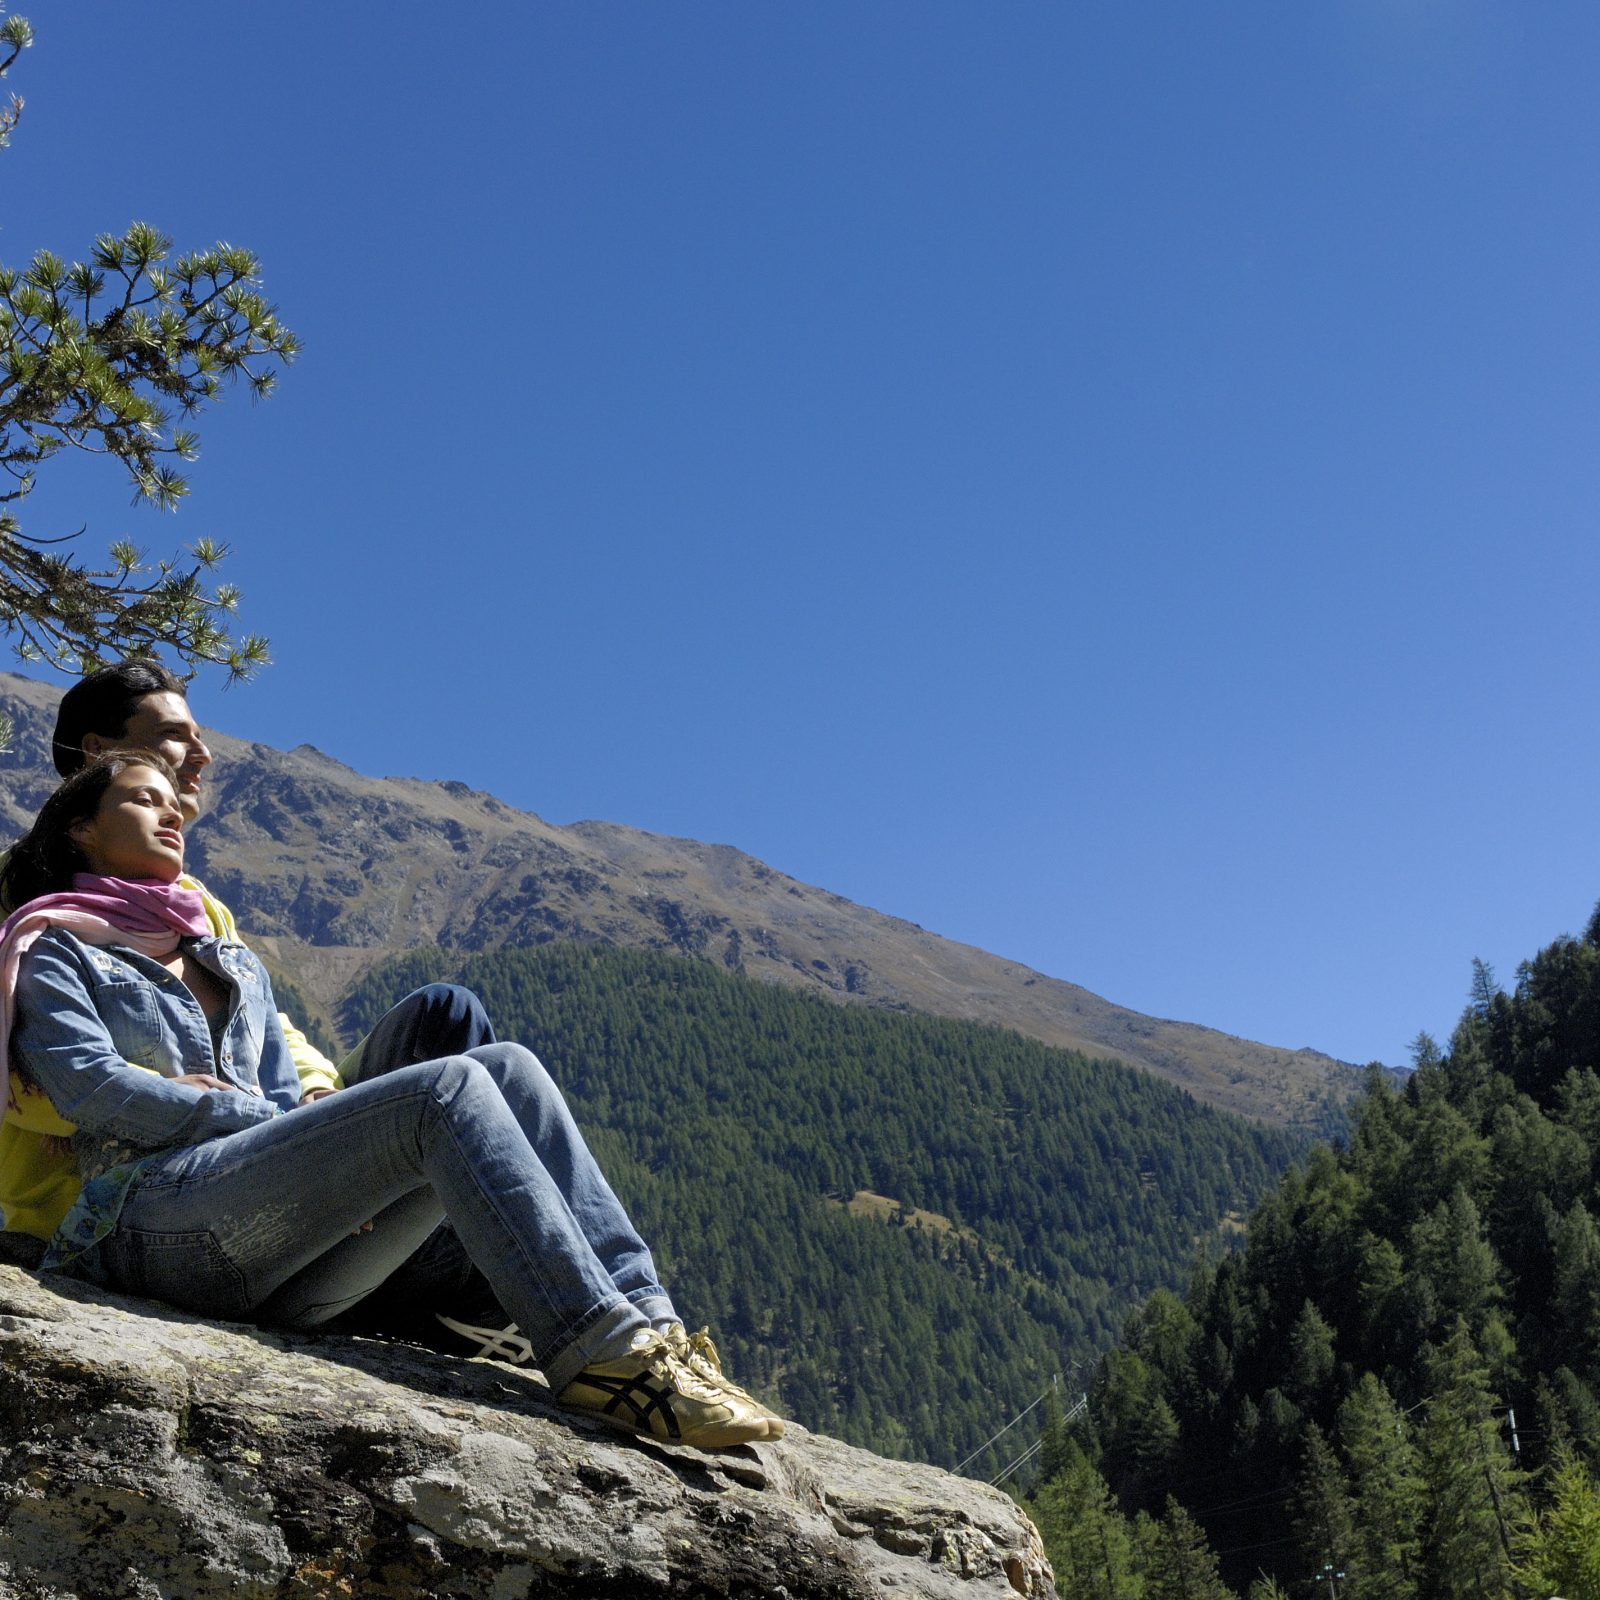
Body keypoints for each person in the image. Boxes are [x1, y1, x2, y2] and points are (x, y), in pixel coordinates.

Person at [0, 750, 779, 1447]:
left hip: (276, 1261)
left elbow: (281, 1096)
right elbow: (89, 1088)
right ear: (80, 833)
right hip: (146, 1223)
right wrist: (252, 1115)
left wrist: (316, 1148)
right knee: (445, 1088)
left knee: (506, 1065)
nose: (172, 811)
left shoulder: (228, 958)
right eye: (142, 799)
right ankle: (601, 1354)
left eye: (175, 802)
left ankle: (654, 1329)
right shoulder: (55, 947)